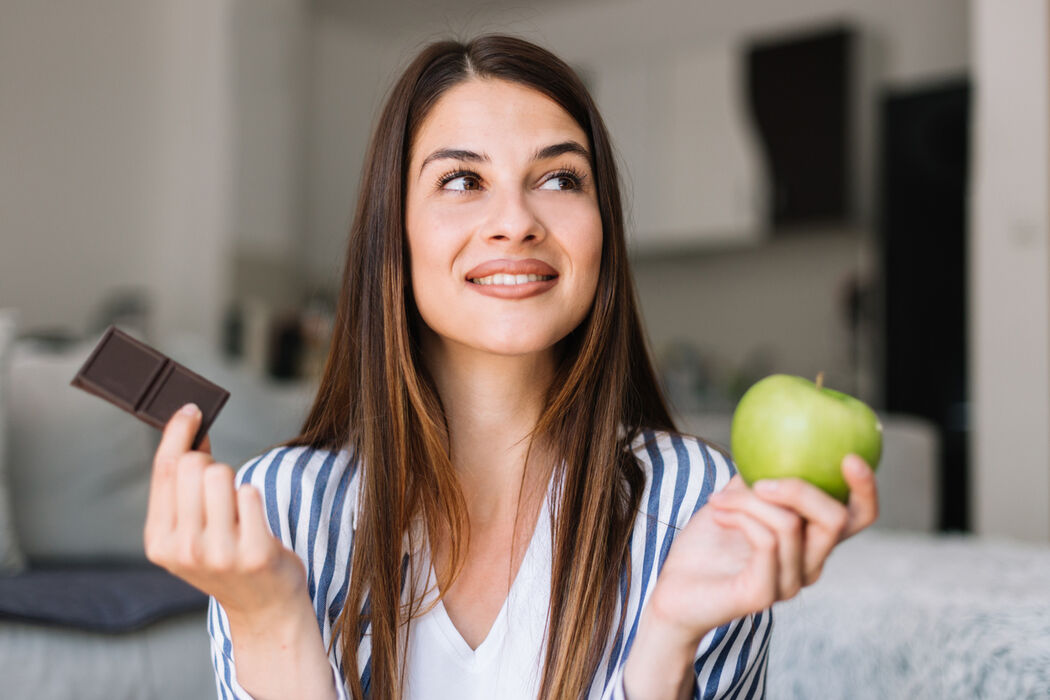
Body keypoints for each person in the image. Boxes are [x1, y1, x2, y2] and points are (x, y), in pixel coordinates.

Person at [143, 34, 879, 700]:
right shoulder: (284, 509)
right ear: (392, 231)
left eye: (560, 179)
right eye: (462, 181)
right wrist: (271, 621)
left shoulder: (698, 505)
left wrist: (667, 644)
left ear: (603, 231)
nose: (516, 220)